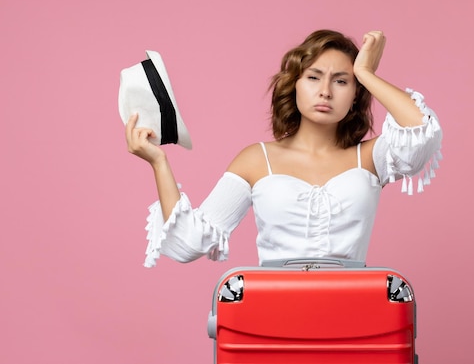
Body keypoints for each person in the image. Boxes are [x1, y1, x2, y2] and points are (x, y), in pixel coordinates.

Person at [125, 29, 442, 268]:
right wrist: (159, 162)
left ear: (357, 94)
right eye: (313, 77)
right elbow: (189, 243)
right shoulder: (256, 160)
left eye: (342, 81)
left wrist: (366, 73)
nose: (325, 92)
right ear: (295, 84)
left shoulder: (371, 157)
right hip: (272, 317)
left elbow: (421, 132)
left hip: (353, 314)